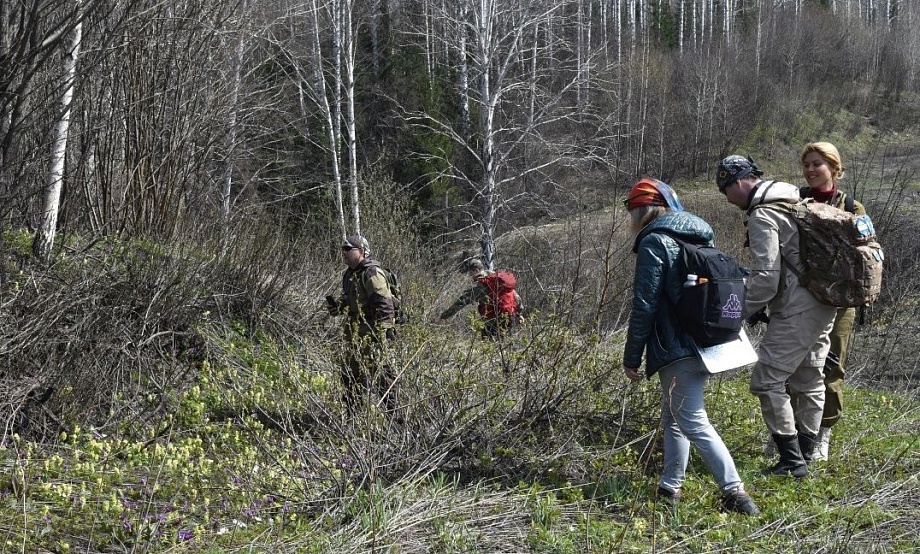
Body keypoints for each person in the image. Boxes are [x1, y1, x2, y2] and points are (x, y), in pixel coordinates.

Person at [622, 177, 759, 515]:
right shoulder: (700, 236)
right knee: (674, 417)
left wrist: (632, 356)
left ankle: (736, 493)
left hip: (677, 346)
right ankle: (670, 488)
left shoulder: (655, 242)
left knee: (692, 419)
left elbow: (644, 304)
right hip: (709, 340)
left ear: (643, 211)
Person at [716, 155, 837, 477]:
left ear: (738, 182)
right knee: (808, 377)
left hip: (798, 306)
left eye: (725, 191)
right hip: (824, 300)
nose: (727, 200)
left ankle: (791, 461)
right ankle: (806, 454)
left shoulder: (763, 213)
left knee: (766, 381)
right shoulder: (791, 199)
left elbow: (766, 279)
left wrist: (738, 313)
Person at [798, 141, 867, 461]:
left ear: (833, 168)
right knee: (792, 365)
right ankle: (787, 431)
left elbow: (868, 253)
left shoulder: (852, 206)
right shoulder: (794, 201)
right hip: (799, 299)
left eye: (818, 164)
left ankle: (823, 433)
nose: (811, 169)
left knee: (831, 367)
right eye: (807, 164)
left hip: (840, 303)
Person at [326, 235, 398, 412]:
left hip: (373, 334)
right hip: (355, 334)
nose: (344, 253)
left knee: (383, 378)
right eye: (343, 249)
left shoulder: (372, 273)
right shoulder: (350, 275)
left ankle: (396, 421)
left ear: (362, 252)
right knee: (350, 377)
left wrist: (383, 334)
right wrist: (338, 308)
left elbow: (384, 304)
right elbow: (349, 300)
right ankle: (353, 418)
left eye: (348, 249)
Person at [437, 259, 524, 339]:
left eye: (470, 272)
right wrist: (519, 314)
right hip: (510, 317)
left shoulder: (483, 284)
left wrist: (443, 317)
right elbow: (516, 297)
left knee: (489, 348)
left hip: (493, 321)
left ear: (476, 270)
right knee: (505, 347)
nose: (469, 275)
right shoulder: (498, 279)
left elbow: (462, 302)